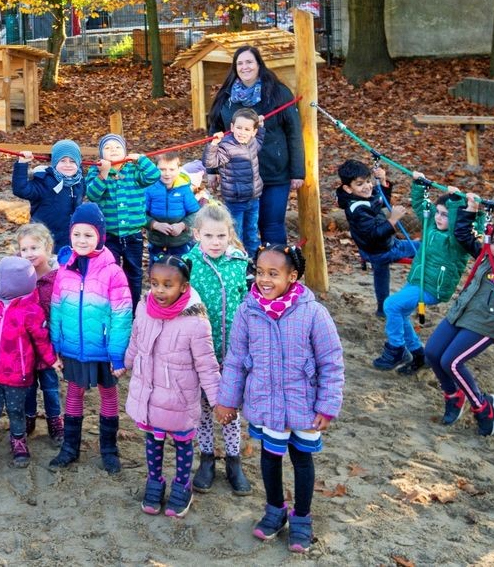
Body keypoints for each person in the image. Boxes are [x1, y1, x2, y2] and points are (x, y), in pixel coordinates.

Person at [215, 245, 344, 553]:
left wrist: (327, 405)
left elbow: (330, 360)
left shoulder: (313, 312)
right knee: (270, 457)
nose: (264, 280)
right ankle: (275, 509)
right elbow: (236, 358)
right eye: (260, 272)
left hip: (304, 404)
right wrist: (227, 399)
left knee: (302, 459)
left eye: (273, 274)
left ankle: (301, 517)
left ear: (292, 276)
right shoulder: (248, 310)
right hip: (267, 401)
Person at [424, 193, 494, 437]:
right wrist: (471, 209)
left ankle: (483, 407)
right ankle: (454, 394)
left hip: (490, 323)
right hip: (463, 312)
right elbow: (463, 233)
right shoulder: (485, 255)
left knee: (451, 361)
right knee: (432, 353)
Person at [125, 256, 221, 517]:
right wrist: (127, 361)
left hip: (179, 397)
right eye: (154, 283)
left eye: (168, 285)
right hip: (149, 392)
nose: (159, 290)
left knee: (182, 444)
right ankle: (154, 481)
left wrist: (217, 400)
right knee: (153, 441)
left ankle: (182, 484)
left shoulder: (195, 321)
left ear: (183, 286)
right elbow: (136, 336)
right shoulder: (144, 308)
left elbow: (207, 364)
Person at [47, 203, 133, 473]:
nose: (81, 241)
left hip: (103, 349)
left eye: (88, 235)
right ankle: (70, 447)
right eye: (76, 235)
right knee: (74, 392)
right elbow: (57, 308)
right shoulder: (65, 268)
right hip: (73, 346)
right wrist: (56, 346)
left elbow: (122, 314)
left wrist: (117, 353)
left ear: (100, 236)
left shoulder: (113, 272)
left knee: (108, 395)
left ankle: (109, 448)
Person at [182, 203, 253, 495]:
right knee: (203, 407)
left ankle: (233, 460)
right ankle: (207, 457)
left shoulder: (240, 263)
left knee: (229, 407)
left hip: (232, 352)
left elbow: (250, 302)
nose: (215, 242)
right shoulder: (188, 263)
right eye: (209, 236)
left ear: (230, 235)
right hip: (199, 353)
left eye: (221, 236)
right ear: (197, 234)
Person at [0, 256, 61, 477]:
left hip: (18, 375)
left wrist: (52, 360)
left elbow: (41, 339)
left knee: (16, 411)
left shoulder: (31, 309)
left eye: (0, 277)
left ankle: (18, 442)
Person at [206, 45, 304, 245]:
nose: (245, 67)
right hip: (238, 176)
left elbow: (294, 133)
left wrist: (297, 172)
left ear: (259, 64)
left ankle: (277, 269)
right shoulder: (226, 97)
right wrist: (212, 169)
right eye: (240, 63)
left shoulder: (278, 93)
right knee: (239, 227)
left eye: (249, 62)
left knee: (271, 224)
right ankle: (243, 271)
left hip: (273, 171)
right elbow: (214, 133)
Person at [375, 174, 473, 375]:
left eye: (445, 214)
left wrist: (457, 204)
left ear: (454, 217)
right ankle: (419, 354)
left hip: (433, 287)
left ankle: (396, 348)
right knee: (400, 312)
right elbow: (421, 207)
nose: (438, 217)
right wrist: (419, 184)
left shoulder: (456, 240)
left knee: (391, 305)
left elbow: (459, 225)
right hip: (417, 280)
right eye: (438, 212)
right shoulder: (430, 225)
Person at [335, 159, 414, 317]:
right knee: (421, 249)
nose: (367, 186)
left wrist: (383, 181)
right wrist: (393, 220)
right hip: (381, 248)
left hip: (375, 248)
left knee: (381, 275)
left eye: (368, 181)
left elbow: (381, 201)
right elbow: (373, 234)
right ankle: (405, 296)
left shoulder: (362, 198)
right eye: (360, 184)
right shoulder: (358, 209)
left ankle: (382, 309)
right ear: (348, 188)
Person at [85, 134, 159, 302]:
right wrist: (103, 175)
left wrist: (141, 159)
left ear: (125, 152)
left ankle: (132, 305)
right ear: (101, 153)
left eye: (117, 147)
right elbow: (92, 195)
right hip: (109, 235)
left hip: (133, 235)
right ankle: (111, 302)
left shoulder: (132, 169)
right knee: (108, 271)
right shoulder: (96, 170)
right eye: (108, 148)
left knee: (134, 271)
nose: (113, 150)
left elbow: (153, 175)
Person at [16, 223, 64, 444]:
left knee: (50, 386)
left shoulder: (59, 276)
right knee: (27, 386)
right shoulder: (20, 276)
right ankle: (29, 418)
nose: (29, 254)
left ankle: (55, 420)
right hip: (24, 345)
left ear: (48, 247)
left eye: (34, 248)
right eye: (24, 249)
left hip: (50, 344)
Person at [204, 108, 265, 252]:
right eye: (238, 128)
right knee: (237, 233)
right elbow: (211, 163)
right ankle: (238, 260)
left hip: (253, 198)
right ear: (232, 127)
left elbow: (260, 140)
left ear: (253, 132)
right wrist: (213, 145)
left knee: (252, 230)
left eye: (246, 129)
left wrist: (261, 126)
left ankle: (252, 259)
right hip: (236, 199)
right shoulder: (226, 146)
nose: (242, 132)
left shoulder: (253, 143)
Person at [13, 140, 86, 252]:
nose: (68, 165)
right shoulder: (45, 180)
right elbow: (21, 189)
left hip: (69, 239)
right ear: (55, 162)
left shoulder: (79, 182)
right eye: (63, 161)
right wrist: (22, 164)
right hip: (43, 238)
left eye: (72, 161)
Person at [145, 153, 201, 263]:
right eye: (162, 169)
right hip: (157, 242)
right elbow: (139, 214)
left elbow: (196, 213)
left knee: (181, 272)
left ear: (179, 170)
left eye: (172, 169)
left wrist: (182, 225)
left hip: (181, 242)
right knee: (158, 271)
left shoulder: (184, 189)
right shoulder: (149, 189)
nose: (167, 174)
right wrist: (154, 224)